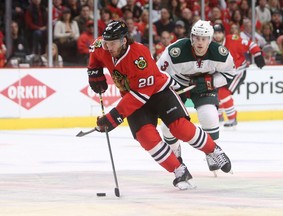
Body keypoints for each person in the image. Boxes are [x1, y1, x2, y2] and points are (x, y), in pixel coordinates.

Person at [87, 20, 232, 190]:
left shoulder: (139, 55)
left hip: (158, 92)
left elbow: (141, 94)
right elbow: (94, 53)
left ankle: (213, 150)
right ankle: (179, 170)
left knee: (179, 128)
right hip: (132, 97)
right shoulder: (101, 45)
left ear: (124, 40)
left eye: (113, 43)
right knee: (146, 137)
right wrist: (94, 72)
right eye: (106, 42)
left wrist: (114, 117)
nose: (108, 47)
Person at [156, 20, 236, 173]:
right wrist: (170, 84)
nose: (200, 42)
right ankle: (175, 152)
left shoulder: (220, 53)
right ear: (191, 37)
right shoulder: (175, 51)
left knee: (210, 115)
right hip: (177, 83)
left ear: (210, 39)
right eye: (197, 38)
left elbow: (230, 73)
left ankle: (212, 152)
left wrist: (211, 81)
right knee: (167, 125)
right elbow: (158, 72)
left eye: (204, 38)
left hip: (204, 85)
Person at [213, 23, 265, 126]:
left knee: (223, 92)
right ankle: (219, 116)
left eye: (219, 32)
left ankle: (232, 119)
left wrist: (258, 54)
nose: (217, 35)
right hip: (224, 73)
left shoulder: (233, 39)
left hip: (238, 72)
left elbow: (250, 44)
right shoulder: (210, 45)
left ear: (223, 33)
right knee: (216, 91)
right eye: (215, 33)